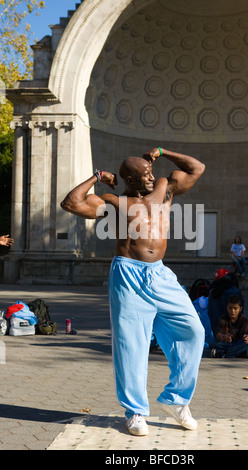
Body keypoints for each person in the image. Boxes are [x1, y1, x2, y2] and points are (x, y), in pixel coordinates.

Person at [61, 147, 205, 436]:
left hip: (160, 274)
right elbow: (71, 204)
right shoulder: (115, 201)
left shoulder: (164, 187)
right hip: (128, 274)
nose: (152, 177)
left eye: (151, 171)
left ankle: (176, 400)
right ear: (129, 178)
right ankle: (135, 411)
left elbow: (196, 168)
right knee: (131, 345)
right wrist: (98, 177)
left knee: (194, 331)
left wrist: (163, 152)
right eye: (144, 174)